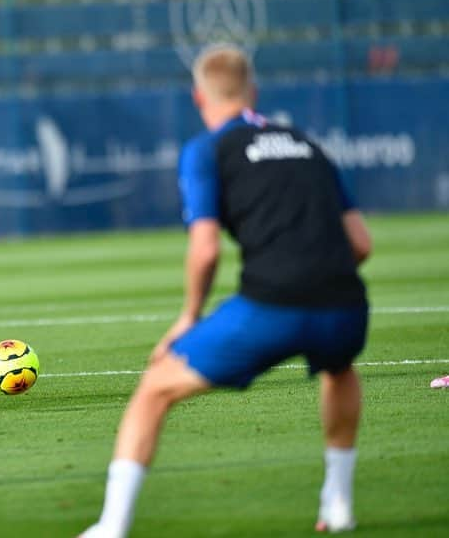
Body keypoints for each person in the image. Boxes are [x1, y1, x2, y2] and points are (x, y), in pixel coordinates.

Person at [79, 44, 373, 537]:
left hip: (272, 304)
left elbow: (206, 250)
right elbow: (360, 244)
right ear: (253, 92)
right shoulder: (305, 142)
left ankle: (111, 526)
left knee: (153, 389)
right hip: (345, 303)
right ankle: (338, 503)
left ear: (199, 97)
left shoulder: (206, 150)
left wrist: (189, 315)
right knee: (339, 369)